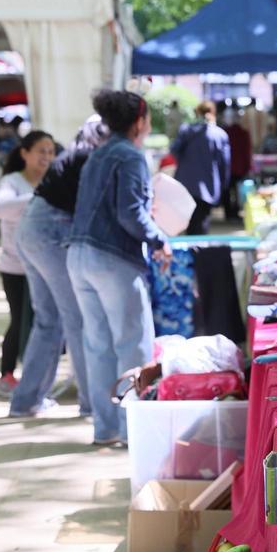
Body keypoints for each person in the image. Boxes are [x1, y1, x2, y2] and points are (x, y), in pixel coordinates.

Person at [68, 90, 172, 446]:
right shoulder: (130, 156)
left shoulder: (97, 153)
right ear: (140, 121)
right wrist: (159, 239)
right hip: (111, 258)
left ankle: (106, 428)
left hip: (78, 255)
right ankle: (134, 434)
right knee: (133, 346)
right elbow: (131, 211)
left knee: (97, 346)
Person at [9, 117, 111, 419]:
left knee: (49, 320)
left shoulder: (74, 154)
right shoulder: (90, 157)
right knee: (77, 318)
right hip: (51, 232)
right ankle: (92, 404)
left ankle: (26, 401)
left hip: (31, 230)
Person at [0, 130, 57, 395]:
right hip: (16, 266)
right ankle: (7, 373)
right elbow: (0, 208)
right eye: (41, 150)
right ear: (25, 153)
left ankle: (37, 375)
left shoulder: (55, 180)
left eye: (51, 151)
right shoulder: (12, 181)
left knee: (45, 322)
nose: (47, 156)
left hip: (47, 266)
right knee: (19, 320)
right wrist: (39, 199)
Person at [171, 100, 233, 236]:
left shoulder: (186, 131)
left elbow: (174, 150)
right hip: (208, 187)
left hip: (185, 184)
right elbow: (225, 164)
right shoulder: (220, 135)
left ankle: (191, 254)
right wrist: (224, 186)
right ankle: (198, 254)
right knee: (201, 226)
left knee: (189, 224)